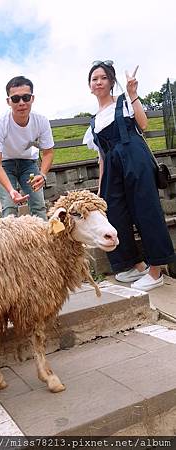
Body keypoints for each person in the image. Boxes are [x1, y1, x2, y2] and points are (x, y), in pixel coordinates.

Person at [83, 60, 175, 291]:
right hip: (112, 167)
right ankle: (136, 265)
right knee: (112, 211)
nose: (99, 82)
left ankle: (156, 273)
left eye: (104, 77)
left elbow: (142, 124)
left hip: (134, 158)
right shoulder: (93, 122)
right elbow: (102, 157)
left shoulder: (124, 102)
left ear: (112, 82)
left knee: (146, 210)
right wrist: (100, 190)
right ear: (90, 86)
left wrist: (133, 92)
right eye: (95, 79)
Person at [0, 76, 54, 221]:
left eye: (26, 97)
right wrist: (11, 191)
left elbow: (48, 152)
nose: (22, 103)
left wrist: (42, 175)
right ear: (8, 101)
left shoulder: (41, 121)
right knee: (9, 207)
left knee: (39, 206)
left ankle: (43, 242)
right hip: (5, 165)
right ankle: (10, 243)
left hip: (29, 164)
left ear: (32, 98)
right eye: (16, 99)